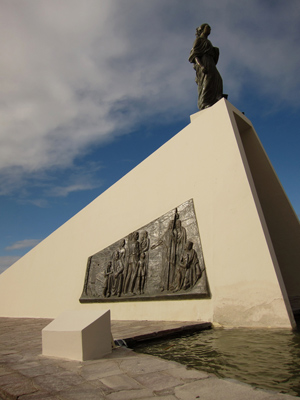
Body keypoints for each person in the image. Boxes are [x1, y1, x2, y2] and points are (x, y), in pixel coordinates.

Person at [189, 24, 223, 110]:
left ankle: (215, 99)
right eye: (207, 27)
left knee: (217, 79)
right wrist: (201, 66)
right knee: (207, 81)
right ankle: (204, 103)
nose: (209, 29)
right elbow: (194, 55)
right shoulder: (198, 40)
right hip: (204, 61)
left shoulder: (208, 42)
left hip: (210, 61)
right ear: (202, 29)